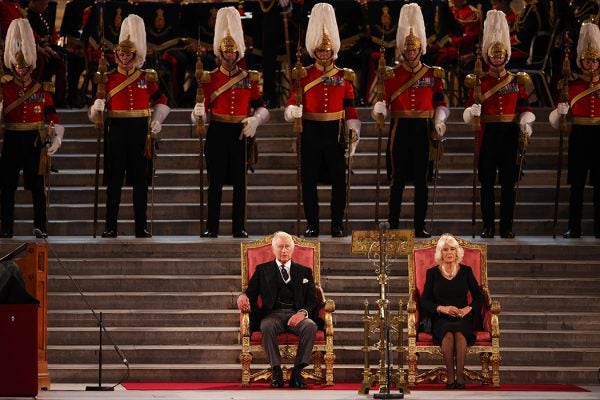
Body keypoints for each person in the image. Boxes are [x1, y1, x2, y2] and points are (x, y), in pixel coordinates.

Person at [88, 14, 170, 238]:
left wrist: (157, 120)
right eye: (121, 53)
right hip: (116, 130)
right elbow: (95, 112)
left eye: (128, 54)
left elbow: (162, 100)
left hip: (140, 131)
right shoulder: (108, 78)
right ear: (115, 55)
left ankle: (140, 226)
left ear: (135, 55)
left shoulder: (146, 77)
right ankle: (110, 226)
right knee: (114, 181)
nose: (124, 57)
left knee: (140, 182)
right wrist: (96, 107)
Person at [284, 2, 361, 238]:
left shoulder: (344, 76)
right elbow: (291, 102)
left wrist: (353, 133)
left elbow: (351, 109)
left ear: (333, 50)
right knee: (308, 181)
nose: (324, 53)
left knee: (339, 181)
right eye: (320, 49)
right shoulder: (303, 74)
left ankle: (337, 223)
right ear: (314, 50)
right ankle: (312, 225)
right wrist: (291, 113)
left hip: (335, 132)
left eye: (327, 49)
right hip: (310, 131)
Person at [371, 3, 449, 238]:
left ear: (420, 49)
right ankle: (392, 224)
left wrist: (440, 120)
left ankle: (419, 227)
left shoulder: (432, 74)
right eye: (407, 50)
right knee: (397, 181)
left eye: (414, 50)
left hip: (424, 130)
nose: (411, 53)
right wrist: (379, 111)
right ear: (402, 50)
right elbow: (382, 99)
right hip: (400, 129)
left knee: (422, 182)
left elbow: (440, 103)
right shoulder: (391, 75)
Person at [191, 7, 269, 238]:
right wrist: (197, 114)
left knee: (239, 184)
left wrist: (256, 119)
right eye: (227, 52)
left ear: (238, 53)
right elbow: (200, 112)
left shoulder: (249, 78)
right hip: (217, 131)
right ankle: (211, 227)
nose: (231, 56)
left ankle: (239, 227)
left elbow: (262, 106)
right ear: (220, 53)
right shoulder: (209, 78)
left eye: (234, 52)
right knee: (215, 184)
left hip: (240, 132)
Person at [463, 10, 535, 239]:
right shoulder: (479, 81)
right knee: (486, 183)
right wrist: (471, 112)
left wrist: (525, 123)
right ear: (488, 56)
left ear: (506, 56)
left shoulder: (516, 80)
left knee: (508, 183)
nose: (496, 58)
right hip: (489, 133)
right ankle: (488, 226)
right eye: (493, 55)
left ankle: (506, 226)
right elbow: (468, 109)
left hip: (509, 134)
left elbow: (525, 109)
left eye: (500, 54)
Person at [0, 18, 64, 238]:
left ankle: (40, 226)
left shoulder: (42, 89)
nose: (21, 69)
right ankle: (6, 227)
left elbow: (52, 116)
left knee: (37, 188)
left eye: (25, 66)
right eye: (18, 66)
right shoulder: (4, 88)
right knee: (7, 187)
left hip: (34, 141)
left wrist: (56, 138)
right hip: (11, 138)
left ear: (30, 65)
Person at [236, 231, 318, 389]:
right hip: (272, 315)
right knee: (266, 326)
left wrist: (301, 313)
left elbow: (312, 300)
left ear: (292, 249)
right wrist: (242, 296)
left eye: (287, 246)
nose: (284, 250)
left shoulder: (304, 271)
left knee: (311, 326)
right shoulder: (262, 270)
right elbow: (250, 292)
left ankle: (297, 372)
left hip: (297, 314)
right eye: (280, 247)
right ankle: (276, 371)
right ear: (273, 250)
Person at [549, 22, 600, 238]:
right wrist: (560, 112)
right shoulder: (571, 85)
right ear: (581, 61)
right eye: (588, 60)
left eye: (595, 60)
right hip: (579, 134)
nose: (591, 64)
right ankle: (574, 227)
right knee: (577, 186)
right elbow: (558, 117)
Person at [419, 233, 484, 390]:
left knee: (460, 333)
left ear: (457, 252)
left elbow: (479, 297)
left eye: (452, 249)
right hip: (441, 318)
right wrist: (442, 308)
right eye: (445, 249)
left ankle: (460, 377)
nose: (449, 253)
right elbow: (424, 301)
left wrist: (467, 309)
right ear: (440, 253)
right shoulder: (432, 273)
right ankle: (450, 377)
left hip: (463, 317)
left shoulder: (466, 271)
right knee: (447, 333)